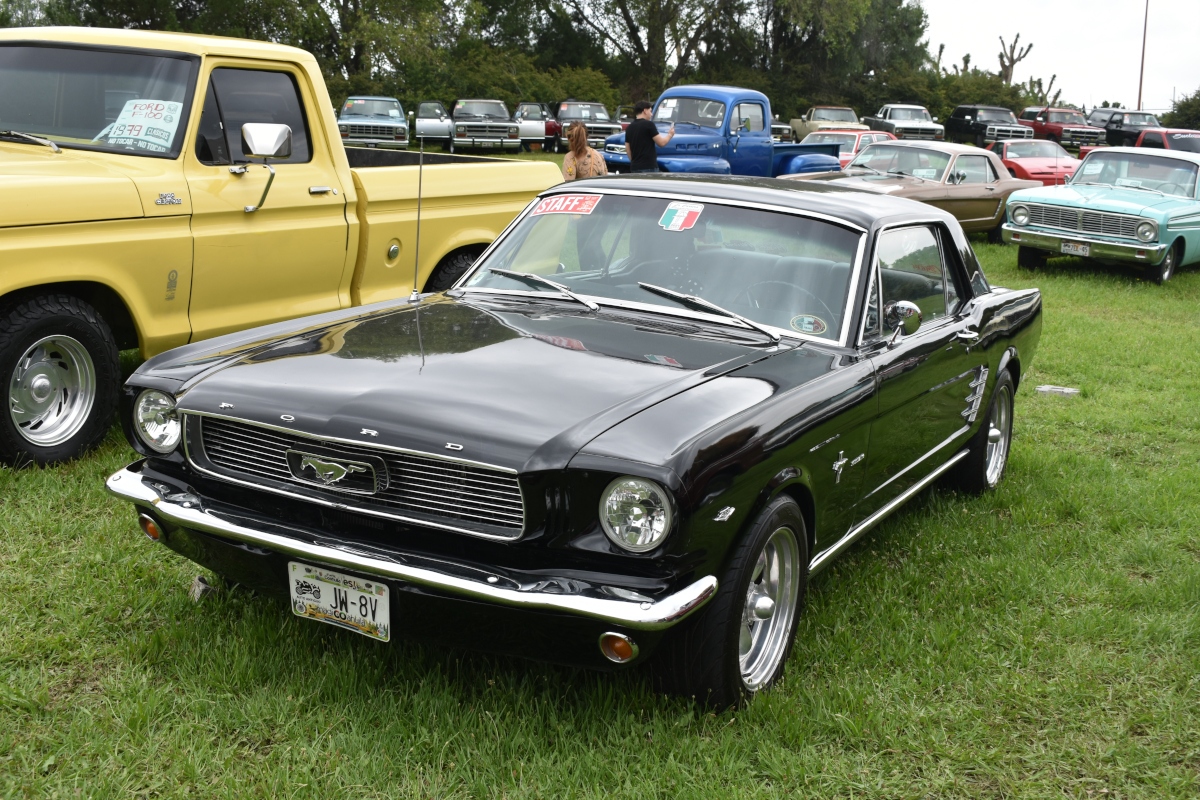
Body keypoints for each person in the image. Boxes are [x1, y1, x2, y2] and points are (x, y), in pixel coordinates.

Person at [624, 100, 675, 173]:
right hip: (649, 167)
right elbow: (661, 143)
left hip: (634, 167)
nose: (651, 114)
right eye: (650, 111)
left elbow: (628, 149)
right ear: (645, 110)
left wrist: (634, 162)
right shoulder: (649, 125)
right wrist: (670, 134)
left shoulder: (629, 127)